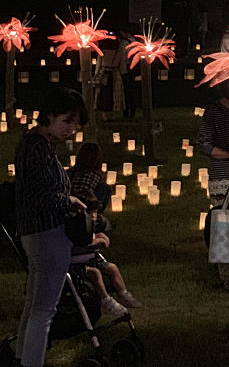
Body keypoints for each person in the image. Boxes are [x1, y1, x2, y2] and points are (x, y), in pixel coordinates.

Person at [14, 88, 90, 367]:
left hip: (35, 232)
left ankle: (22, 356)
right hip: (47, 234)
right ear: (49, 116)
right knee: (44, 309)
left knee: (35, 304)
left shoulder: (36, 143)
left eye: (76, 122)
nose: (73, 128)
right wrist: (68, 200)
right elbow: (41, 195)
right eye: (67, 121)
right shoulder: (37, 148)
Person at [77, 193, 142, 317]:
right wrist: (97, 241)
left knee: (112, 267)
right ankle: (105, 300)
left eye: (95, 212)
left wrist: (99, 235)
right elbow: (82, 242)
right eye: (89, 212)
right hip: (77, 265)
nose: (93, 215)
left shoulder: (89, 226)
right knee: (95, 273)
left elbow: (91, 237)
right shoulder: (76, 228)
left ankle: (123, 294)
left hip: (92, 259)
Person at [67, 141, 111, 211]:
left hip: (69, 202)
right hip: (86, 204)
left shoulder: (68, 172)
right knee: (105, 187)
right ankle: (96, 211)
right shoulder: (96, 174)